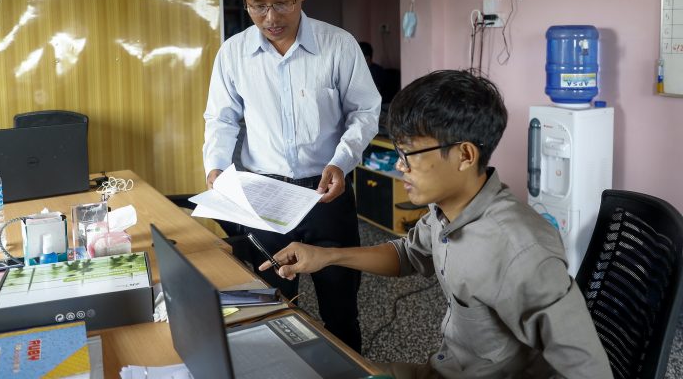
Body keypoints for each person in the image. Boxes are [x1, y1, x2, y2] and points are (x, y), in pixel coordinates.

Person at [259, 69, 613, 378]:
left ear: (464, 155)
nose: (400, 166)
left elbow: (587, 368)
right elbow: (407, 255)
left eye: (408, 155)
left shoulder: (519, 249)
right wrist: (325, 256)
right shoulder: (447, 210)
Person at [203, 0, 381, 352]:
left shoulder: (338, 45)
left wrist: (341, 160)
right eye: (257, 4)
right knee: (270, 303)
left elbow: (365, 112)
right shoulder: (233, 54)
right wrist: (214, 166)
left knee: (340, 307)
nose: (270, 17)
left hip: (326, 193)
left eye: (281, 2)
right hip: (263, 195)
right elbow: (222, 118)